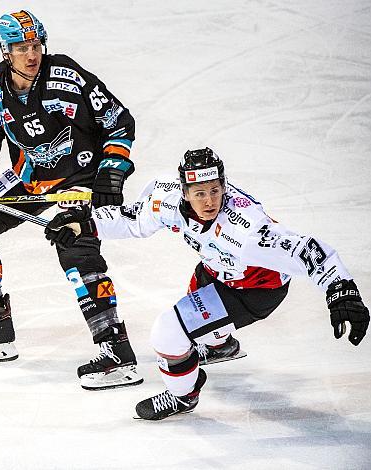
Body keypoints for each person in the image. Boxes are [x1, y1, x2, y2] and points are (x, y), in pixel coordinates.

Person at [45, 147, 369, 418]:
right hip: (213, 272)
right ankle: (221, 343)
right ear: (184, 192)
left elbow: (305, 249)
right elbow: (133, 220)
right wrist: (84, 224)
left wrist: (342, 292)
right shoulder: (168, 198)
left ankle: (183, 395)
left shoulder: (246, 228)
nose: (209, 201)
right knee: (194, 314)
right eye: (200, 193)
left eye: (215, 191)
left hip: (255, 291)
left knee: (168, 333)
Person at [0, 10, 143, 390]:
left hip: (82, 179)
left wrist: (111, 173)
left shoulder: (67, 76)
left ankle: (116, 350)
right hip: (33, 179)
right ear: (6, 51)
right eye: (22, 48)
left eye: (36, 45)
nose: (32, 55)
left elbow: (119, 122)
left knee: (75, 247)